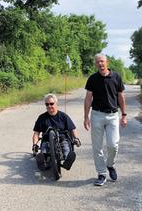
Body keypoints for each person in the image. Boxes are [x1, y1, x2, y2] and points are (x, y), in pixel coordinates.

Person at [84, 53, 127, 186]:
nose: (100, 64)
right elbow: (88, 99)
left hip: (113, 116)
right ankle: (101, 173)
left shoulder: (116, 77)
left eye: (102, 61)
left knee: (113, 144)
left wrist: (124, 115)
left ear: (107, 62)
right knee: (97, 147)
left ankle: (110, 165)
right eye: (98, 62)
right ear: (95, 64)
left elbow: (121, 97)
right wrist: (86, 117)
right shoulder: (92, 79)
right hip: (97, 115)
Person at [32, 93, 81, 171]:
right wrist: (34, 145)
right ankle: (42, 161)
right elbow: (36, 133)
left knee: (66, 148)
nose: (49, 106)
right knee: (44, 149)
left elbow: (72, 129)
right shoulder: (42, 117)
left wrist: (76, 138)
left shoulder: (63, 116)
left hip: (62, 138)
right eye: (47, 104)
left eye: (51, 104)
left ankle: (67, 161)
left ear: (56, 104)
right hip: (47, 139)